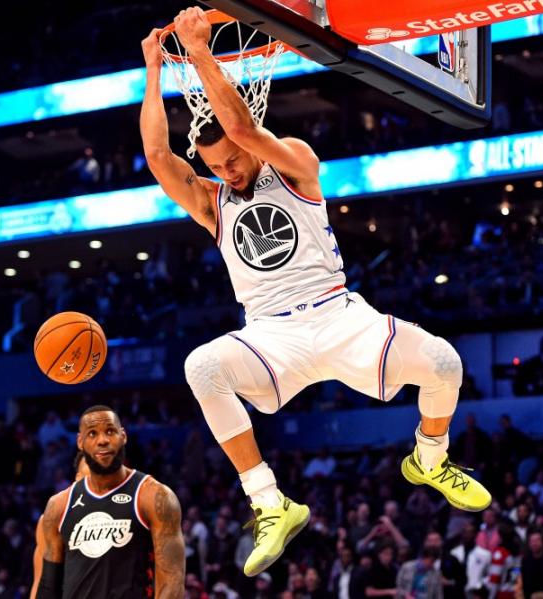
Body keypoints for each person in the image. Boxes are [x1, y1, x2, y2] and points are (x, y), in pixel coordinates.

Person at [139, 5, 491, 577]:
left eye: (231, 160)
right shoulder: (212, 201)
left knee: (445, 364)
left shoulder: (295, 161)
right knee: (201, 367)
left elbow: (245, 130)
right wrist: (155, 68)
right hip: (272, 331)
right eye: (215, 165)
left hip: (338, 314)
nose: (227, 170)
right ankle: (269, 501)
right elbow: (158, 157)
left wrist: (201, 52)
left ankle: (430, 459)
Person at [37, 405, 185, 598]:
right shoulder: (58, 505)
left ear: (123, 436)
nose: (102, 441)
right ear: (80, 442)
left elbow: (172, 583)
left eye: (110, 431)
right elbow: (49, 587)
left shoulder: (154, 496)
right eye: (92, 434)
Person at [30, 451, 91, 599]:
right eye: (88, 478)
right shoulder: (52, 520)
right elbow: (40, 580)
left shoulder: (129, 516)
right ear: (77, 479)